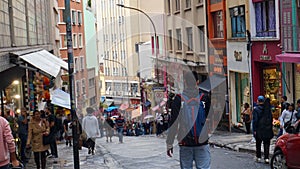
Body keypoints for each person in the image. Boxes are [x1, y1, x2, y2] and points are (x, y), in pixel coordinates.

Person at [166, 71, 211, 169]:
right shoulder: (205, 98)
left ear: (185, 82)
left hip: (185, 142)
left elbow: (173, 122)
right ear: (198, 82)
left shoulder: (178, 99)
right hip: (202, 142)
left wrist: (169, 142)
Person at [252, 96, 273, 164]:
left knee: (258, 143)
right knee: (266, 143)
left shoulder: (256, 109)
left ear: (258, 101)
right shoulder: (267, 109)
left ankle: (259, 157)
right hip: (267, 129)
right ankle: (266, 158)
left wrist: (254, 129)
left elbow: (255, 120)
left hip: (259, 129)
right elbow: (271, 119)